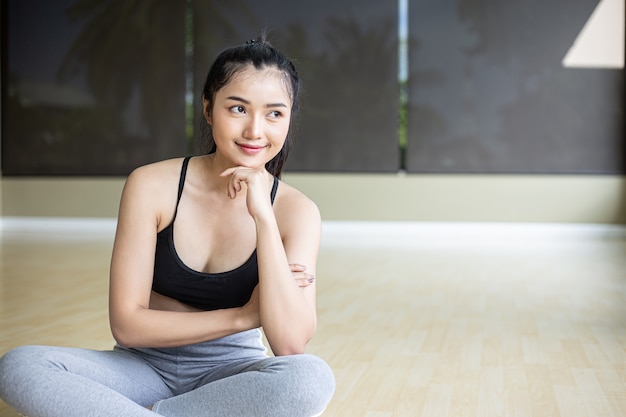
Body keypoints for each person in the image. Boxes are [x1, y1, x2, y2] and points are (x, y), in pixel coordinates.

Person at [0, 36, 335, 417]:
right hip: (141, 368)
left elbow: (290, 345)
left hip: (230, 375)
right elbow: (127, 325)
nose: (255, 130)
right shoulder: (151, 186)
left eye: (274, 113)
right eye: (238, 108)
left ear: (289, 118)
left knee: (311, 378)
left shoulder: (297, 212)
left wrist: (262, 215)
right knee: (20, 365)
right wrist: (245, 315)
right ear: (208, 109)